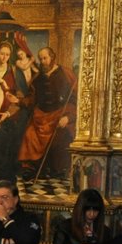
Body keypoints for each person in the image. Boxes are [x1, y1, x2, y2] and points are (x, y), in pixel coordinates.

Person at [18, 46, 78, 178]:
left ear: (52, 57)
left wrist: (68, 117)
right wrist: (19, 101)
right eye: (40, 59)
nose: (42, 61)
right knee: (30, 135)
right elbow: (32, 99)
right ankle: (34, 169)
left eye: (45, 58)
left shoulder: (66, 74)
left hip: (61, 114)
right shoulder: (38, 78)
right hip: (42, 116)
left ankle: (59, 170)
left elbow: (76, 100)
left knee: (61, 136)